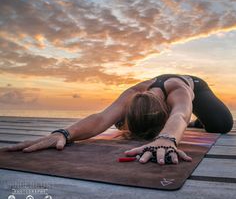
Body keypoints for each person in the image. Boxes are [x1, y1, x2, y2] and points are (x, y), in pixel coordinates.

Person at [1, 74, 233, 165]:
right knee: (116, 123)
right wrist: (63, 133)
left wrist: (167, 138)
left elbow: (180, 114)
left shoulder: (178, 92)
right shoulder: (132, 95)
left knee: (222, 125)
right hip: (152, 104)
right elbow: (101, 118)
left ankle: (199, 122)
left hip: (197, 88)